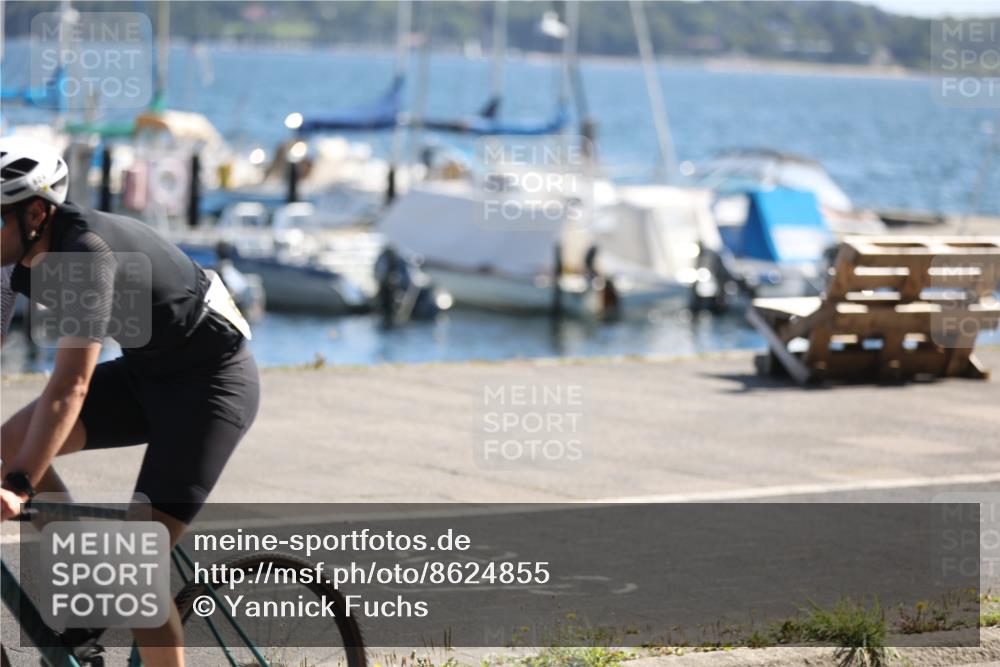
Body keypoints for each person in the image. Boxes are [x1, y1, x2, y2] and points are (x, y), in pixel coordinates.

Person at [0, 137, 260, 667]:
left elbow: (70, 384)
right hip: (148, 374)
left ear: (34, 212)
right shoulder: (13, 261)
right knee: (5, 445)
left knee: (134, 572)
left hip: (210, 385)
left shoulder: (86, 254)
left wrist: (20, 483)